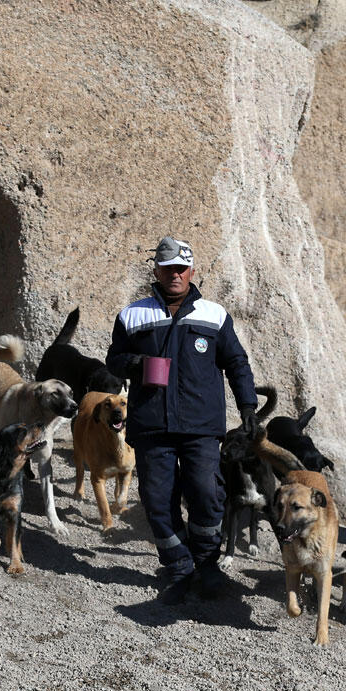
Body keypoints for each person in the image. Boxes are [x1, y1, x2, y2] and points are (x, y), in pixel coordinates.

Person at [107, 236, 258, 604]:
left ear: (192, 271)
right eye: (167, 268)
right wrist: (136, 365)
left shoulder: (214, 315)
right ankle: (178, 568)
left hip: (200, 425)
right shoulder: (133, 315)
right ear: (155, 270)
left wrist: (248, 406)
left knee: (207, 493)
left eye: (181, 268)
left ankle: (207, 565)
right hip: (152, 424)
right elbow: (113, 360)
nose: (174, 275)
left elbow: (236, 362)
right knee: (158, 500)